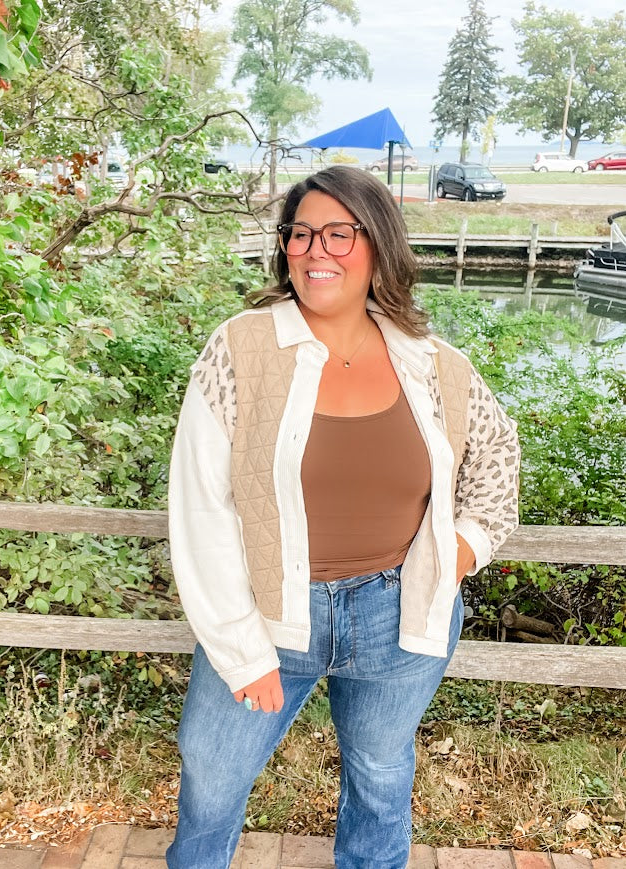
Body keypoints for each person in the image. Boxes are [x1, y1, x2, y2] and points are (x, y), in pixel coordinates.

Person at [166, 165, 520, 869]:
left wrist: (459, 550)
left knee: (381, 775)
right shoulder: (241, 350)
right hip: (270, 612)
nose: (313, 249)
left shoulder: (432, 364)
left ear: (378, 246)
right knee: (211, 769)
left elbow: (498, 455)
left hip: (400, 612)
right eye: (299, 234)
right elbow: (199, 506)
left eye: (337, 233)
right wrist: (240, 649)